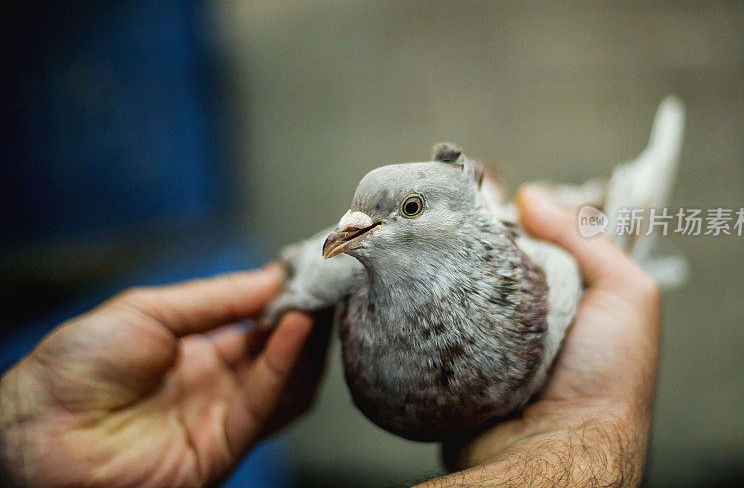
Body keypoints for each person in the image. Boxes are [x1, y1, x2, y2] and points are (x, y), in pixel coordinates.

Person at [0, 187, 661, 487]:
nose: (346, 230)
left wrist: (26, 435)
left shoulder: (540, 300)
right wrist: (596, 423)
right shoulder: (342, 269)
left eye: (397, 210)